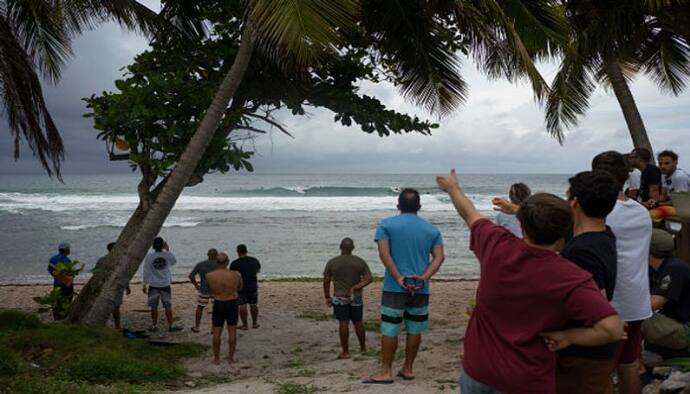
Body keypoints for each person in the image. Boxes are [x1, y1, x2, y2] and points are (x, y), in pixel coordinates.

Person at [442, 169, 624, 393]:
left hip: (478, 371)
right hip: (526, 378)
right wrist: (567, 336)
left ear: (523, 226)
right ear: (565, 231)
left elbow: (469, 213)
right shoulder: (570, 276)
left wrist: (452, 187)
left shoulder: (496, 245)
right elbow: (612, 329)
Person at [364, 188, 444, 384]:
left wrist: (398, 276)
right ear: (419, 207)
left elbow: (384, 254)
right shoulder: (431, 230)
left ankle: (386, 371)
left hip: (394, 286)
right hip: (420, 287)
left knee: (390, 328)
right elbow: (439, 257)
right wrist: (424, 278)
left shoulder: (387, 225)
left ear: (398, 205)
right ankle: (408, 368)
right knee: (414, 328)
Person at [592, 151, 653, 394]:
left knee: (602, 369)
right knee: (629, 364)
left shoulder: (600, 213)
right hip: (636, 300)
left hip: (610, 303)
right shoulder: (641, 212)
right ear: (626, 177)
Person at [555, 171, 620, 394]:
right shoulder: (605, 235)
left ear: (574, 202)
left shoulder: (581, 252)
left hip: (584, 354)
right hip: (593, 352)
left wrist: (566, 336)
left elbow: (597, 309)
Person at [323, 238, 373, 359]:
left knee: (343, 323)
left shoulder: (332, 262)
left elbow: (326, 281)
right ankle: (363, 348)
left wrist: (327, 297)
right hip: (356, 297)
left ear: (340, 247)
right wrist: (355, 287)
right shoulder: (360, 262)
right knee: (358, 322)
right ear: (353, 248)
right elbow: (369, 278)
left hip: (340, 297)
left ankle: (345, 352)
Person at [643, 229, 690, 355]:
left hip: (685, 330)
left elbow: (653, 304)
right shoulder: (661, 266)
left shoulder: (674, 269)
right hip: (674, 324)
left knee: (635, 317)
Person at [206, 252, 243, 364]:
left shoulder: (210, 275)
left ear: (216, 263)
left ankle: (216, 358)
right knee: (232, 330)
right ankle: (231, 358)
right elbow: (240, 287)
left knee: (217, 331)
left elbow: (210, 290)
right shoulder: (236, 274)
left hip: (219, 303)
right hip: (232, 302)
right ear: (227, 262)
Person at [142, 236, 181, 332]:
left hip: (153, 284)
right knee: (168, 306)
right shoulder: (167, 255)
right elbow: (174, 262)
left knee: (154, 307)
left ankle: (154, 325)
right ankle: (171, 326)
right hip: (165, 284)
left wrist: (144, 284)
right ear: (163, 245)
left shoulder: (149, 257)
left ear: (153, 246)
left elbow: (146, 271)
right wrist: (167, 250)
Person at [94, 242, 131, 330]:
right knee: (116, 307)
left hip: (104, 285)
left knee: (103, 305)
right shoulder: (121, 260)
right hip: (116, 285)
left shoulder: (101, 260)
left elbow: (95, 273)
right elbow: (124, 275)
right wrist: (127, 286)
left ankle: (102, 324)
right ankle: (117, 326)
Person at [230, 244, 261, 330]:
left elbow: (233, 276)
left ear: (238, 252)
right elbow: (258, 270)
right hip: (252, 286)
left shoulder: (235, 263)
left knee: (242, 305)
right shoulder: (254, 260)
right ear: (246, 251)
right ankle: (255, 323)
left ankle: (245, 325)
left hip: (241, 287)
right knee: (253, 304)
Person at [188, 248, 219, 333]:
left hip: (204, 289)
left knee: (200, 307)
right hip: (216, 290)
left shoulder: (201, 264)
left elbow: (191, 276)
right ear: (216, 255)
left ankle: (197, 327)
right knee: (216, 309)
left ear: (207, 255)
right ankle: (213, 328)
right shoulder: (219, 265)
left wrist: (196, 285)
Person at [48, 242, 74, 320]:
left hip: (57, 283)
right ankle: (64, 316)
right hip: (67, 284)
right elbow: (70, 273)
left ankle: (57, 317)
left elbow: (50, 270)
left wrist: (57, 277)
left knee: (58, 300)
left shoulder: (52, 259)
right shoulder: (67, 260)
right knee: (67, 301)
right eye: (69, 249)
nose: (69, 250)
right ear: (66, 250)